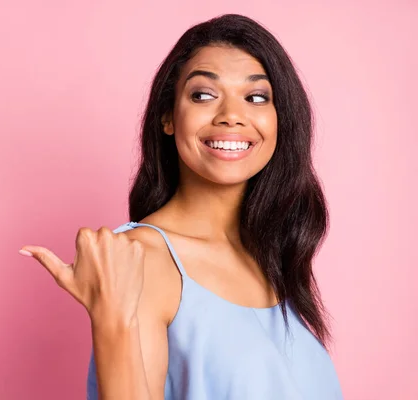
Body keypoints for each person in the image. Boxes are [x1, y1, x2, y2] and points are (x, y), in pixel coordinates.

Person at [19, 13, 343, 400]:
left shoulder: (269, 254)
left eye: (256, 97)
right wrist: (111, 317)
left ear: (280, 120)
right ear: (168, 117)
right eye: (204, 95)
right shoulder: (142, 258)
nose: (232, 116)